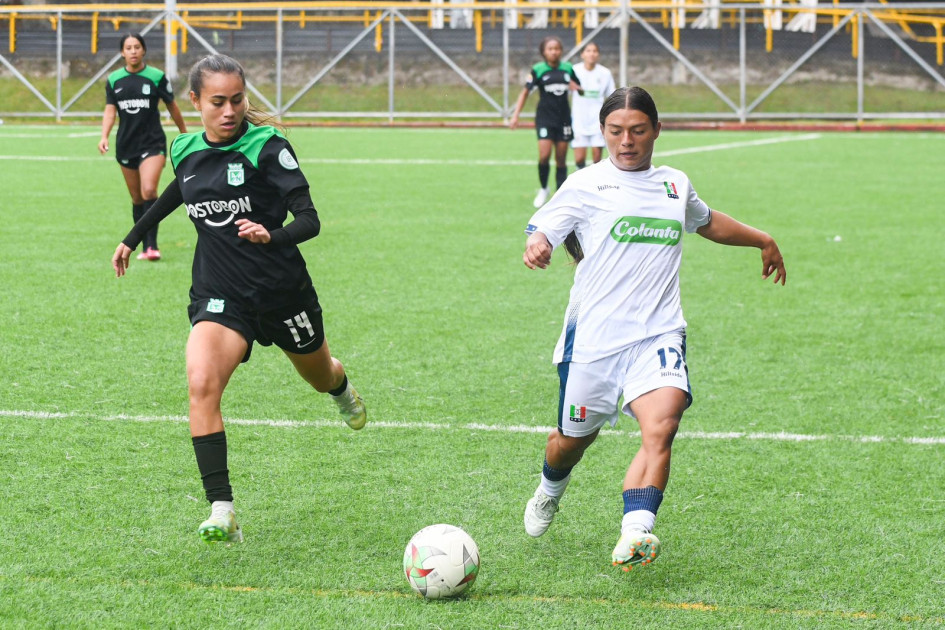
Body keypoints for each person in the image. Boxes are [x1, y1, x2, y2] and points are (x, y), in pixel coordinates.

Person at [521, 86, 786, 570]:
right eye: (617, 131)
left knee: (661, 426)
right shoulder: (584, 184)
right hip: (594, 343)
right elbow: (544, 229)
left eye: (638, 130)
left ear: (656, 131)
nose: (627, 141)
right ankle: (549, 488)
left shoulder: (674, 184)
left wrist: (762, 239)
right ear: (603, 133)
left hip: (659, 335)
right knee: (568, 445)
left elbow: (706, 222)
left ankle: (636, 530)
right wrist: (538, 243)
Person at [110, 53, 367, 545]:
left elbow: (309, 220)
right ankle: (222, 508)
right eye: (217, 102)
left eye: (237, 100)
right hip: (221, 295)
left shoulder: (268, 146)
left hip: (282, 293)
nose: (229, 111)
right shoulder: (184, 148)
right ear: (195, 102)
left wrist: (271, 235)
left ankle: (341, 386)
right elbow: (176, 194)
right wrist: (134, 236)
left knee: (319, 376)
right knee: (201, 382)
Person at [99, 32, 187, 261]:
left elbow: (172, 106)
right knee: (137, 199)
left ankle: (152, 247)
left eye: (137, 47)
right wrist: (104, 136)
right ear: (122, 52)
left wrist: (184, 133)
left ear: (144, 50)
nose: (133, 51)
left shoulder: (156, 77)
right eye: (128, 47)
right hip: (126, 145)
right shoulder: (114, 79)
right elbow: (110, 111)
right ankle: (139, 243)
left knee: (149, 191)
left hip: (153, 142)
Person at [509, 35, 582, 209]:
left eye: (557, 48)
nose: (554, 52)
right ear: (544, 52)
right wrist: (515, 115)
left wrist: (578, 88)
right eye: (550, 49)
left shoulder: (568, 69)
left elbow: (580, 89)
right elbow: (525, 92)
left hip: (564, 118)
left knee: (561, 159)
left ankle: (560, 195)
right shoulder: (538, 70)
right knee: (544, 155)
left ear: (561, 51)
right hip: (545, 118)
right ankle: (543, 188)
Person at [570, 42, 616, 169]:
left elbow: (612, 95)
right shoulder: (574, 71)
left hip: (597, 121)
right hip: (579, 121)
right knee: (579, 160)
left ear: (598, 55)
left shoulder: (605, 73)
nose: (592, 53)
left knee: (596, 160)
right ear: (582, 54)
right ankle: (581, 183)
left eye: (595, 51)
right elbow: (565, 90)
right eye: (588, 51)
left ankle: (594, 186)